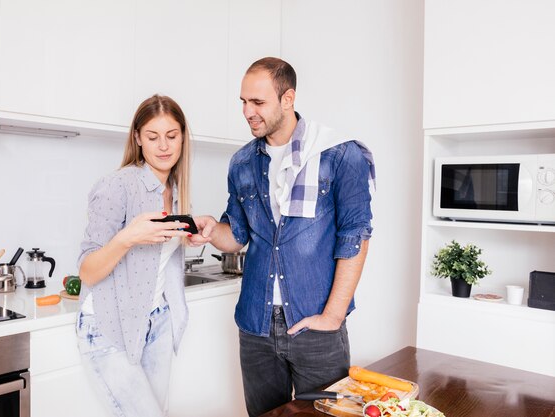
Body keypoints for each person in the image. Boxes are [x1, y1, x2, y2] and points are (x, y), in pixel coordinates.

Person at [190, 57, 375, 416]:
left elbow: (356, 235)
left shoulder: (338, 153)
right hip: (256, 326)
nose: (247, 112)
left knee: (326, 415)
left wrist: (332, 318)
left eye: (257, 102)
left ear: (287, 99)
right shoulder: (242, 163)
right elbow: (238, 235)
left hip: (315, 324)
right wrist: (214, 231)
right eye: (243, 102)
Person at [76, 94, 194, 417]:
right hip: (110, 326)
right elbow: (87, 270)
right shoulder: (118, 186)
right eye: (153, 137)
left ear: (183, 136)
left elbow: (158, 258)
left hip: (156, 322)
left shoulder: (175, 188)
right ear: (138, 139)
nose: (164, 146)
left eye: (171, 136)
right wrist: (128, 237)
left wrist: (192, 234)